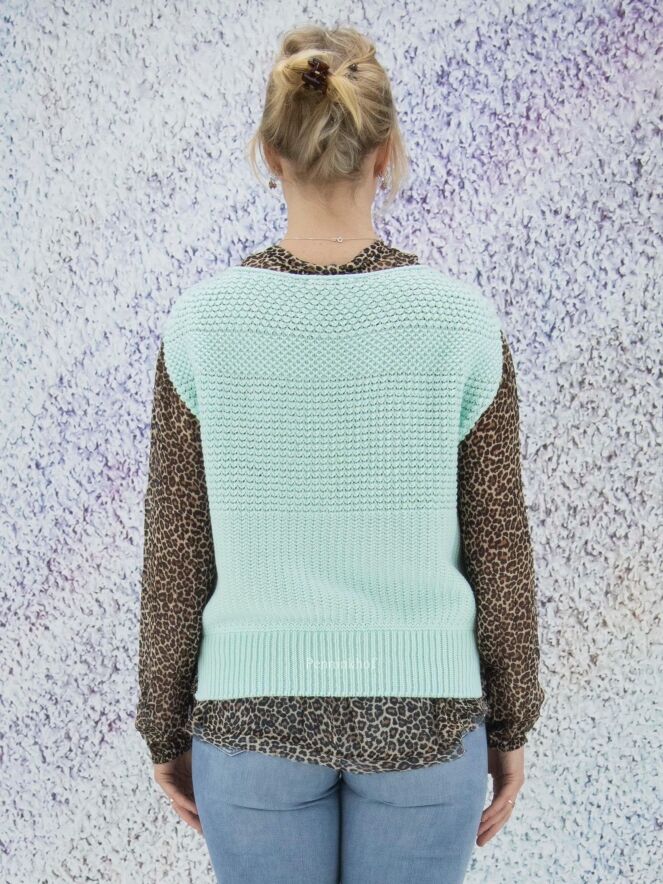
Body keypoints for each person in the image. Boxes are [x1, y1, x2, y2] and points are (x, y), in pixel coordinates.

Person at [135, 24, 545, 884]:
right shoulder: (459, 321)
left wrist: (164, 730)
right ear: (385, 153)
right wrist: (508, 725)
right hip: (426, 716)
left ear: (269, 154)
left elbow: (177, 552)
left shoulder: (202, 325)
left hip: (250, 719)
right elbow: (498, 545)